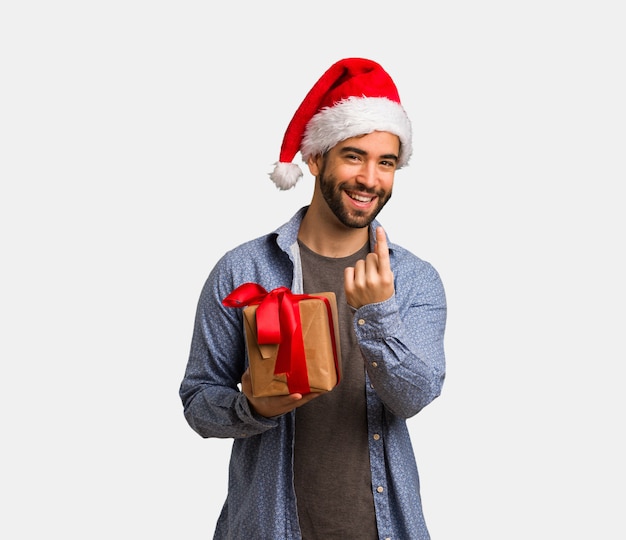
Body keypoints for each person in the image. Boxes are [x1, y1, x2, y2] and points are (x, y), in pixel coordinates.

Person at [179, 57, 447, 540]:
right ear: (315, 158)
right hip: (267, 526)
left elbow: (416, 396)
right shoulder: (243, 270)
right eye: (353, 156)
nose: (370, 178)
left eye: (385, 162)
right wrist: (252, 408)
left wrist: (378, 312)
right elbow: (198, 400)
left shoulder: (414, 279)